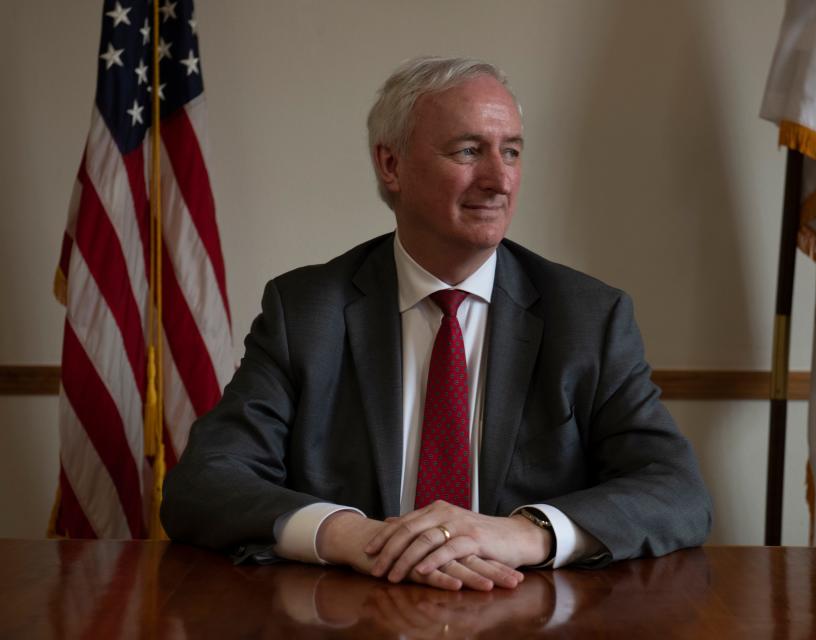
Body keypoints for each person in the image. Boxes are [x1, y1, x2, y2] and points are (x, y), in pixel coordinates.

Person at [161, 56, 711, 592]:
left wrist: (523, 533)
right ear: (391, 165)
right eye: (469, 150)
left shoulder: (588, 316)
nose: (499, 179)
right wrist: (352, 534)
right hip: (353, 617)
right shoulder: (307, 310)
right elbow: (203, 484)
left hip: (525, 615)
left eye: (512, 151)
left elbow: (677, 491)